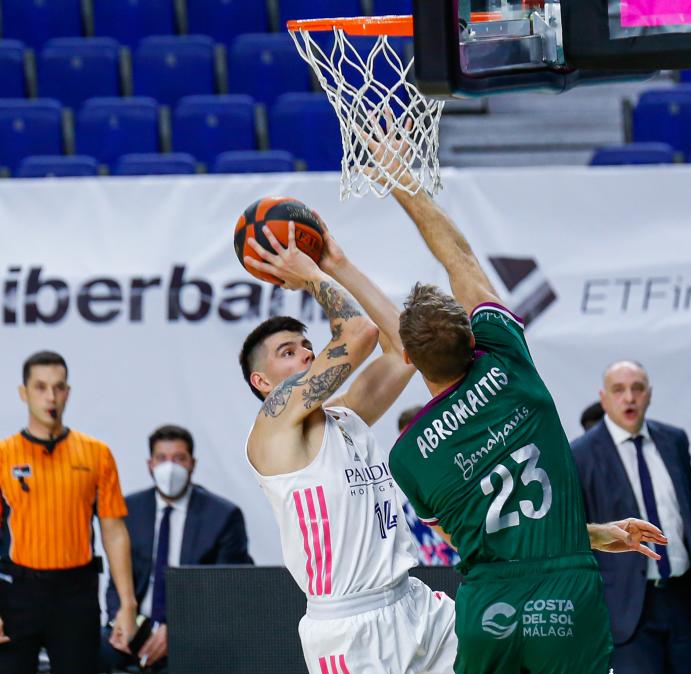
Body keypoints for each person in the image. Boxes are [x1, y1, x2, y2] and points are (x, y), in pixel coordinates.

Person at [379, 154, 666, 672]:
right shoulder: (508, 361)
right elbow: (460, 259)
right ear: (473, 336)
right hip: (565, 593)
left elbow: (470, 534)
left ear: (407, 360)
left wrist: (596, 534)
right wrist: (403, 180)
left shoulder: (409, 456)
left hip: (490, 602)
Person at [240, 221, 459, 672]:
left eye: (306, 345)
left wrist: (338, 264)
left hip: (417, 605)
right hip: (349, 631)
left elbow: (403, 349)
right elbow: (358, 332)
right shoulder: (273, 426)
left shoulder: (344, 415)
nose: (305, 353)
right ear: (261, 383)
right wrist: (310, 278)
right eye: (287, 351)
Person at [571, 360, 691, 674]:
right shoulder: (580, 454)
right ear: (603, 397)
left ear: (649, 394)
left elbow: (690, 517)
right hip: (626, 607)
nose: (629, 398)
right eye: (619, 390)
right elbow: (575, 534)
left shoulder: (674, 440)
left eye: (637, 389)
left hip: (682, 598)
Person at [0, 351, 137, 674]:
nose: (51, 396)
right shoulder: (4, 456)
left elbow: (114, 531)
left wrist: (128, 604)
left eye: (59, 387)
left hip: (76, 595)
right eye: (41, 387)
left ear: (68, 393)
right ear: (23, 392)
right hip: (18, 593)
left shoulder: (97, 455)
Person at [100, 424, 253, 672]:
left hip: (193, 630)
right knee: (88, 650)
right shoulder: (129, 511)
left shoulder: (222, 517)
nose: (169, 467)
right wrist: (119, 620)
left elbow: (230, 590)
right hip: (136, 625)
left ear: (192, 463)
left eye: (179, 458)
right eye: (161, 458)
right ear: (150, 464)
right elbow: (116, 579)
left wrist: (179, 629)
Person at [397, 406, 460, 566]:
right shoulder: (401, 506)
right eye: (405, 445)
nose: (413, 452)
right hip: (429, 584)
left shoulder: (461, 482)